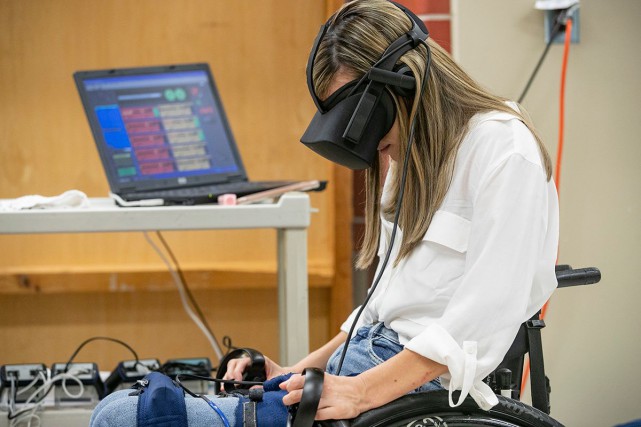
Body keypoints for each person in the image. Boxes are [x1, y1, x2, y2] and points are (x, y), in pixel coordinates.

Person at [224, 0, 559, 422]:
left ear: (406, 82)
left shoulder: (504, 152)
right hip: (371, 365)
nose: (366, 143)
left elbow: (477, 322)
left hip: (418, 389)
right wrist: (300, 371)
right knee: (152, 404)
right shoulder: (406, 157)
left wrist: (360, 392)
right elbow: (382, 306)